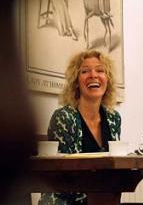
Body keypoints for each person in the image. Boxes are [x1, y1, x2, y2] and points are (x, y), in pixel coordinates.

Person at [39, 49, 121, 205]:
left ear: (107, 80)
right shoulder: (63, 117)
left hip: (101, 198)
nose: (93, 75)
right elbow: (63, 175)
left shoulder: (113, 118)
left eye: (100, 70)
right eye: (85, 71)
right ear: (76, 81)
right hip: (65, 200)